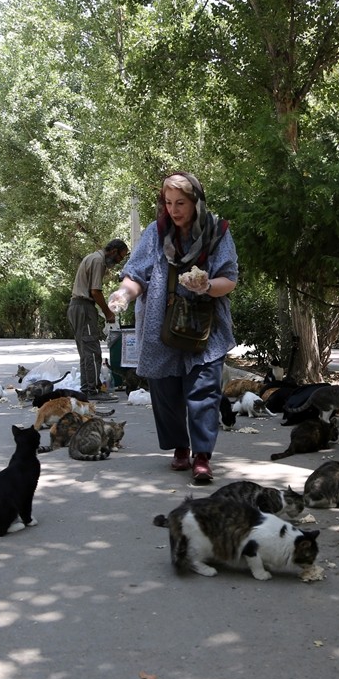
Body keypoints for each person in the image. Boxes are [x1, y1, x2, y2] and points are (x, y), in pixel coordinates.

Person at [107, 172, 238, 483]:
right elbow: (136, 275)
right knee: (165, 390)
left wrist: (206, 285)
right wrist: (123, 294)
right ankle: (181, 447)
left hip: (205, 326)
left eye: (180, 203)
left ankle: (202, 455)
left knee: (204, 390)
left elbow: (228, 279)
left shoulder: (217, 233)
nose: (174, 210)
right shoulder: (155, 233)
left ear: (196, 202)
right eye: (168, 203)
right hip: (159, 324)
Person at [69, 239, 129, 402]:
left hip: (79, 307)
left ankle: (87, 388)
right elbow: (95, 291)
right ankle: (92, 390)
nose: (118, 262)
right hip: (83, 307)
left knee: (86, 351)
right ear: (113, 251)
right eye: (119, 258)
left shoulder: (93, 258)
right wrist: (108, 312)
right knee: (92, 350)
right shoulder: (98, 261)